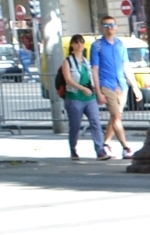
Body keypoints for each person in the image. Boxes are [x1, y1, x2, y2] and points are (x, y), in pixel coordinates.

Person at [89, 16, 137, 158]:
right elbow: (95, 70)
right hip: (106, 85)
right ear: (102, 28)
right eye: (106, 25)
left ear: (116, 27)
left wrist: (134, 86)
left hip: (121, 85)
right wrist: (98, 91)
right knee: (116, 116)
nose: (109, 27)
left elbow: (126, 66)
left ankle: (105, 144)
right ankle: (126, 147)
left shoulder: (120, 44)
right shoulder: (97, 46)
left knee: (115, 117)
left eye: (111, 25)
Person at [56, 35, 104, 159]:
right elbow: (68, 79)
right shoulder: (67, 61)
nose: (80, 45)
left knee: (96, 123)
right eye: (77, 43)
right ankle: (73, 149)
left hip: (90, 98)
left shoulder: (86, 62)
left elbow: (93, 77)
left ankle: (100, 150)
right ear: (72, 45)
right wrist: (82, 88)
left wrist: (97, 92)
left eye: (81, 43)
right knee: (75, 125)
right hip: (74, 97)